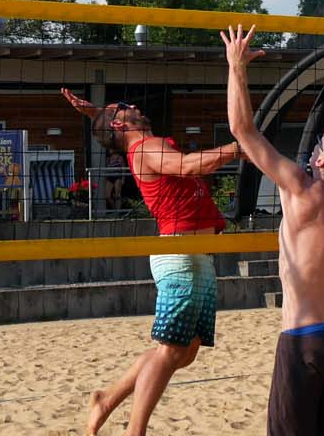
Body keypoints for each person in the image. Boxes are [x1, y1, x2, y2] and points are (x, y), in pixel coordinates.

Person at [225, 25, 324, 436]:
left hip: (303, 338)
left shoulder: (299, 188)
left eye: (318, 144)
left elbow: (243, 129)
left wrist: (236, 66)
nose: (313, 148)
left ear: (321, 162)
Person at [60, 87, 242, 436]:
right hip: (180, 254)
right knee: (171, 351)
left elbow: (115, 126)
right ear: (119, 123)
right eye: (124, 106)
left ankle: (107, 400)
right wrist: (240, 146)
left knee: (184, 351)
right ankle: (135, 431)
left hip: (195, 254)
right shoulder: (145, 147)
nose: (134, 105)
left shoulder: (142, 144)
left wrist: (96, 113)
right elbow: (188, 166)